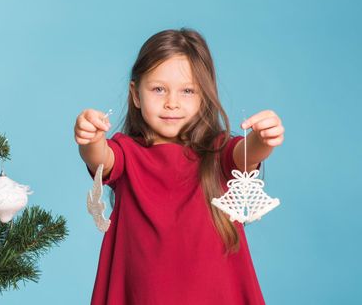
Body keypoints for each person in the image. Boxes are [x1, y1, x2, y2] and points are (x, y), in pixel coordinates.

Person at [74, 28, 284, 305]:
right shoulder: (126, 152)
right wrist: (90, 136)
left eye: (187, 91)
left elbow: (247, 154)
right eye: (158, 89)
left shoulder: (219, 151)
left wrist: (262, 138)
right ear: (136, 95)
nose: (172, 103)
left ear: (203, 97)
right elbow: (100, 158)